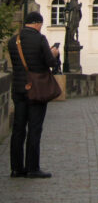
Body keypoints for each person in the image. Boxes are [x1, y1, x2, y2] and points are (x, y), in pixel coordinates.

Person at [8, 10, 59, 178]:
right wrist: (54, 54)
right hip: (36, 90)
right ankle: (32, 168)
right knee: (34, 129)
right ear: (38, 23)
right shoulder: (40, 39)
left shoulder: (13, 41)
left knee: (18, 129)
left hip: (18, 89)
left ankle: (16, 168)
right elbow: (49, 63)